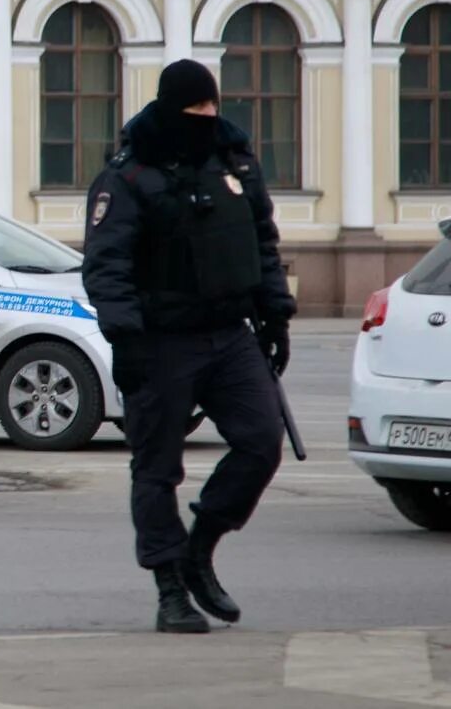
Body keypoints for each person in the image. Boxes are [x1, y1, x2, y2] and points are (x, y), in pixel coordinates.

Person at [81, 59, 296, 634]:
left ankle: (200, 548)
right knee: (157, 470)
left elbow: (262, 241)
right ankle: (169, 586)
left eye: (211, 108)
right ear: (172, 108)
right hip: (162, 340)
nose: (206, 118)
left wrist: (276, 315)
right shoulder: (129, 175)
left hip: (230, 333)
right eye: (195, 109)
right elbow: (107, 265)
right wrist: (124, 338)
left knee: (260, 442)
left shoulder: (232, 161)